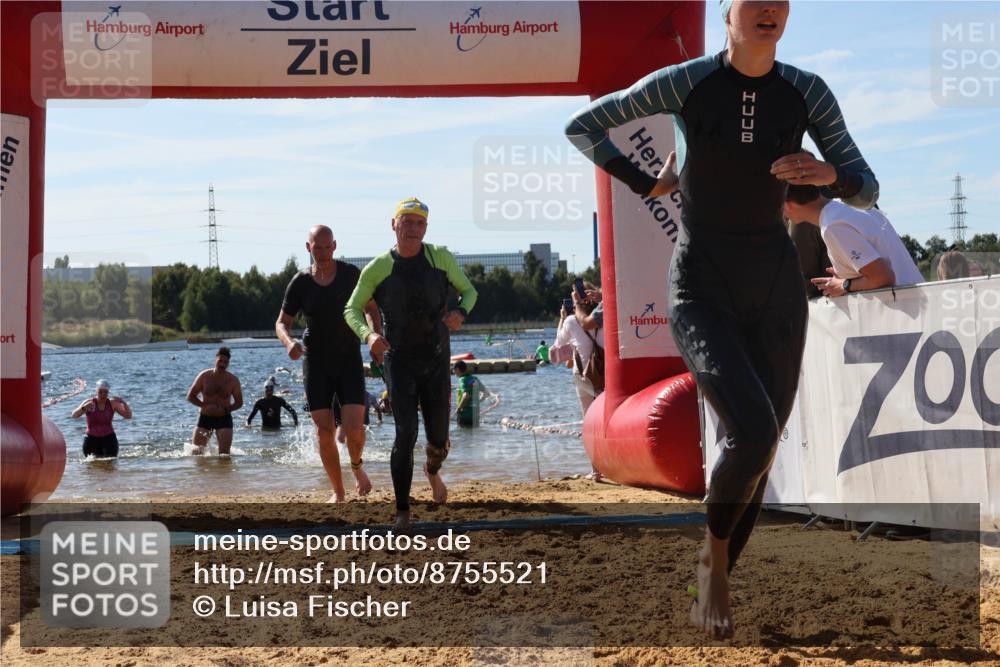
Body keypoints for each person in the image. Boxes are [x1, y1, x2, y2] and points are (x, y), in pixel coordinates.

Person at [565, 0, 878, 638]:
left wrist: (830, 172)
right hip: (700, 288)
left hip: (777, 290)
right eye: (753, 0)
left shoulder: (806, 90)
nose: (770, 9)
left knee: (759, 448)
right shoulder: (687, 81)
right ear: (727, 12)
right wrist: (641, 180)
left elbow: (866, 185)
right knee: (756, 430)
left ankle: (713, 576)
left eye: (781, 1)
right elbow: (584, 125)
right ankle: (713, 567)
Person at [344, 197, 478, 532]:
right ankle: (402, 510)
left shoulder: (440, 258)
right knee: (405, 433)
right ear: (394, 225)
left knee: (439, 439)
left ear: (426, 228)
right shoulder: (377, 267)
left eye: (419, 223)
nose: (413, 229)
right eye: (407, 222)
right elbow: (351, 308)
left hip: (435, 359)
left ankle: (432, 472)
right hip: (399, 360)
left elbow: (470, 292)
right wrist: (368, 335)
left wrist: (461, 312)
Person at [275, 224, 381, 503]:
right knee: (324, 433)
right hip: (316, 362)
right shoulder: (300, 282)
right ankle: (338, 491)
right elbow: (281, 323)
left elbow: (370, 307)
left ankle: (357, 467)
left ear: (334, 246)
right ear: (308, 247)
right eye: (316, 247)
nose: (321, 252)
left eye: (326, 246)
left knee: (355, 429)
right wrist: (289, 343)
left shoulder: (350, 275)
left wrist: (373, 336)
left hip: (348, 358)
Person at [785, 184, 923, 296]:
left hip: (905, 313)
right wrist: (845, 277)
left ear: (787, 205)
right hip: (918, 302)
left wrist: (843, 285)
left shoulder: (833, 226)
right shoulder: (851, 206)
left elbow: (883, 278)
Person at [186, 347, 243, 455]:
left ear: (228, 363)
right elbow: (190, 396)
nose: (222, 364)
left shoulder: (233, 380)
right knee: (196, 452)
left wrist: (227, 409)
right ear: (215, 360)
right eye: (220, 361)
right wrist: (203, 406)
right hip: (205, 418)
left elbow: (239, 403)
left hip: (224, 419)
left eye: (225, 362)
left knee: (224, 455)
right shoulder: (204, 376)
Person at [71, 379, 132, 458]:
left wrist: (124, 403)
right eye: (100, 392)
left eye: (105, 392)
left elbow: (128, 416)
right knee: (91, 465)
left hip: (109, 439)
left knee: (110, 464)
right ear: (96, 391)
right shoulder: (89, 403)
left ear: (108, 392)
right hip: (91, 439)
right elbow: (74, 415)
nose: (103, 394)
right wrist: (84, 408)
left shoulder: (112, 403)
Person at [454, 360, 491, 427]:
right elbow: (486, 393)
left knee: (463, 435)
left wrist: (458, 409)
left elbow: (466, 395)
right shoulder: (474, 379)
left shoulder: (462, 380)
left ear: (457, 369)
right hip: (475, 415)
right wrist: (477, 401)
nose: (453, 372)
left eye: (454, 370)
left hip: (464, 415)